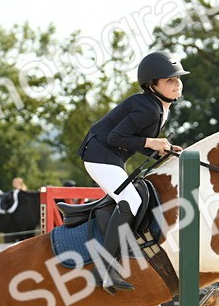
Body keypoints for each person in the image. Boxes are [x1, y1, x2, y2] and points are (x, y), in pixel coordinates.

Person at [77, 51, 187, 292]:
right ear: (152, 85)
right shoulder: (148, 108)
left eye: (178, 78)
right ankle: (103, 267)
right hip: (99, 156)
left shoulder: (158, 107)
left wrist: (159, 151)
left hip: (111, 156)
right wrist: (152, 143)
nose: (177, 82)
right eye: (170, 80)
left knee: (133, 199)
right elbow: (116, 137)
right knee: (130, 200)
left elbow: (131, 140)